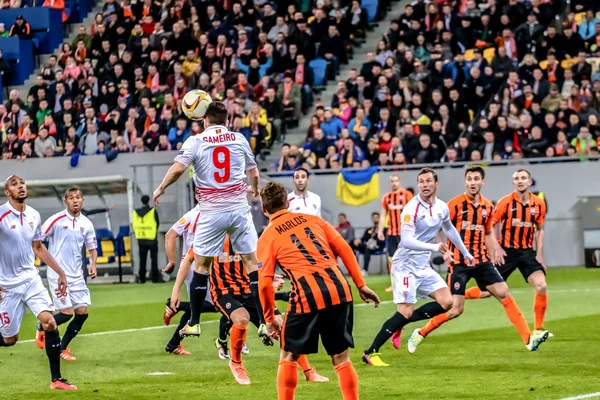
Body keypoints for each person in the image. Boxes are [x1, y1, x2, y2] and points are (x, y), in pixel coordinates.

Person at [257, 182, 380, 400]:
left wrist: (269, 318)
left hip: (307, 294)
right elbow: (343, 248)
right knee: (341, 358)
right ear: (287, 203)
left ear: (264, 209)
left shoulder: (267, 236)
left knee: (288, 355)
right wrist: (361, 284)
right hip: (339, 288)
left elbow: (265, 282)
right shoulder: (314, 220)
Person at [407, 166, 549, 353]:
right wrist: (444, 251)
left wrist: (495, 250)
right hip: (459, 263)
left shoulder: (488, 207)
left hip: (481, 260)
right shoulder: (454, 204)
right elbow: (435, 229)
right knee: (455, 310)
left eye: (476, 179)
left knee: (503, 292)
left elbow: (488, 232)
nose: (472, 182)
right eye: (469, 179)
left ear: (482, 182)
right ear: (465, 181)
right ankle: (421, 332)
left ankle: (528, 339)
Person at [152, 101, 261, 338]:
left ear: (204, 121)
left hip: (211, 212)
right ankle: (262, 320)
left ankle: (194, 322)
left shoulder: (196, 140)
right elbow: (254, 173)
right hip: (239, 209)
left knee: (201, 266)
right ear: (227, 120)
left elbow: (179, 169)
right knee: (252, 263)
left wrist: (161, 188)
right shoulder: (239, 138)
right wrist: (254, 189)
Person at [174, 235, 328, 386]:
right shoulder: (210, 236)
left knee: (282, 327)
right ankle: (236, 364)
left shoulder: (246, 236)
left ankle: (309, 372)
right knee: (242, 319)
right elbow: (188, 260)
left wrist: (271, 278)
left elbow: (258, 264)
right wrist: (176, 290)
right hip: (224, 292)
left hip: (251, 290)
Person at [362, 168, 474, 367]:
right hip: (405, 264)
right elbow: (406, 241)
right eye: (421, 181)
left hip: (422, 265)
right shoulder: (411, 208)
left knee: (448, 302)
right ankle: (371, 351)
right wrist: (434, 246)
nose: (424, 184)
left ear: (436, 184)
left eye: (428, 181)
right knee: (405, 311)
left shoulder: (441, 207)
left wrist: (465, 252)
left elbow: (449, 229)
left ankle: (399, 323)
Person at [0, 175, 77, 390]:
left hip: (31, 279)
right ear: (8, 193)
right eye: (14, 184)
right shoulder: (1, 215)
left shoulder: (34, 214)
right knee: (10, 340)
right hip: (7, 286)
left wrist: (60, 272)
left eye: (22, 183)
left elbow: (39, 247)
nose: (21, 186)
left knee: (49, 321)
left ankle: (56, 380)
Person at [464, 169, 551, 338]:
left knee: (542, 285)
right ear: (513, 183)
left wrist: (539, 253)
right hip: (507, 252)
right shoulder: (505, 202)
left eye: (523, 178)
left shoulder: (539, 204)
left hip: (527, 252)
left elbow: (540, 230)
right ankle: (458, 295)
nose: (520, 181)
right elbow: (490, 225)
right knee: (487, 292)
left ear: (529, 182)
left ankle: (538, 329)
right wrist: (497, 248)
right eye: (517, 178)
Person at [34, 188, 98, 362]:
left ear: (82, 200)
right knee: (67, 313)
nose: (75, 201)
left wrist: (93, 264)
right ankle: (42, 324)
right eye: (71, 198)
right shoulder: (56, 220)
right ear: (65, 202)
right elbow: (36, 240)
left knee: (82, 314)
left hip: (77, 276)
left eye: (78, 197)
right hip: (58, 275)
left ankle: (63, 347)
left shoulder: (87, 223)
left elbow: (92, 248)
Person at [162, 201, 226, 356]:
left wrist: (172, 261)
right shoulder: (203, 215)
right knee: (218, 305)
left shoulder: (191, 215)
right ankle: (176, 306)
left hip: (190, 267)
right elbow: (170, 235)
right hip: (200, 265)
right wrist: (172, 261)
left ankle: (173, 344)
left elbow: (170, 234)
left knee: (195, 309)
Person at [378, 175, 414, 294]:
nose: (394, 183)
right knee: (392, 260)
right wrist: (380, 230)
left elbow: (414, 212)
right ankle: (394, 284)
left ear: (400, 182)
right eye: (392, 181)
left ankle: (412, 282)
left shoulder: (407, 195)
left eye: (396, 181)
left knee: (409, 258)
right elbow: (383, 215)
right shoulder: (386, 197)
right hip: (391, 234)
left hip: (405, 233)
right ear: (390, 183)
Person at [132, 195, 161, 283]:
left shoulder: (135, 212)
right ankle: (155, 278)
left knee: (142, 259)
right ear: (148, 201)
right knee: (154, 259)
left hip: (141, 239)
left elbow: (133, 224)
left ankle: (142, 278)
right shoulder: (152, 211)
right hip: (152, 239)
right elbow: (157, 223)